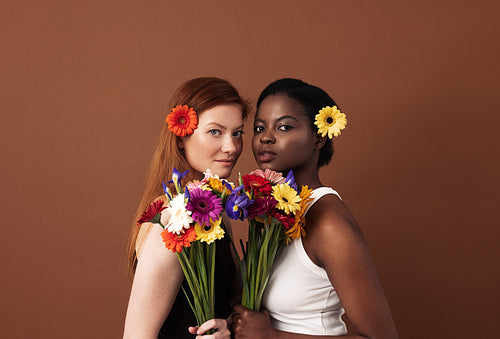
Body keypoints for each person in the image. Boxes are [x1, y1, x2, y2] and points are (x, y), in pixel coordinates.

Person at [232, 78, 398, 338]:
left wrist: (272, 337)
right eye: (259, 127)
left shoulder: (329, 223)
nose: (265, 137)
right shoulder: (273, 210)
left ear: (319, 138)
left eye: (284, 126)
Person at [123, 77, 249, 339]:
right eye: (215, 131)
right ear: (181, 137)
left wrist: (227, 327)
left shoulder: (209, 206)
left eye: (237, 133)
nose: (231, 147)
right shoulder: (172, 221)